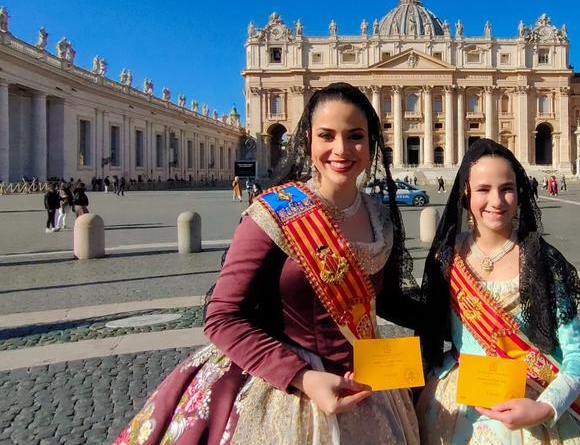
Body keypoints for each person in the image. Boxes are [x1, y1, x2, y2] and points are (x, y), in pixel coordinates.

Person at [114, 82, 422, 444]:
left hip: (367, 381)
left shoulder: (379, 215)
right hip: (291, 388)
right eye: (327, 135)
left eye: (355, 136)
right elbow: (222, 315)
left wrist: (460, 321)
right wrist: (302, 377)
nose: (341, 149)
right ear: (307, 140)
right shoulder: (273, 213)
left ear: (371, 145)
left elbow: (380, 301)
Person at [415, 139, 580, 445]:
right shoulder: (446, 259)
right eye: (483, 189)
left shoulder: (541, 260)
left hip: (533, 396)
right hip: (460, 397)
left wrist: (546, 407)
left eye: (506, 188)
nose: (496, 201)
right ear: (466, 192)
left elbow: (577, 354)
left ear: (519, 192)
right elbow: (423, 317)